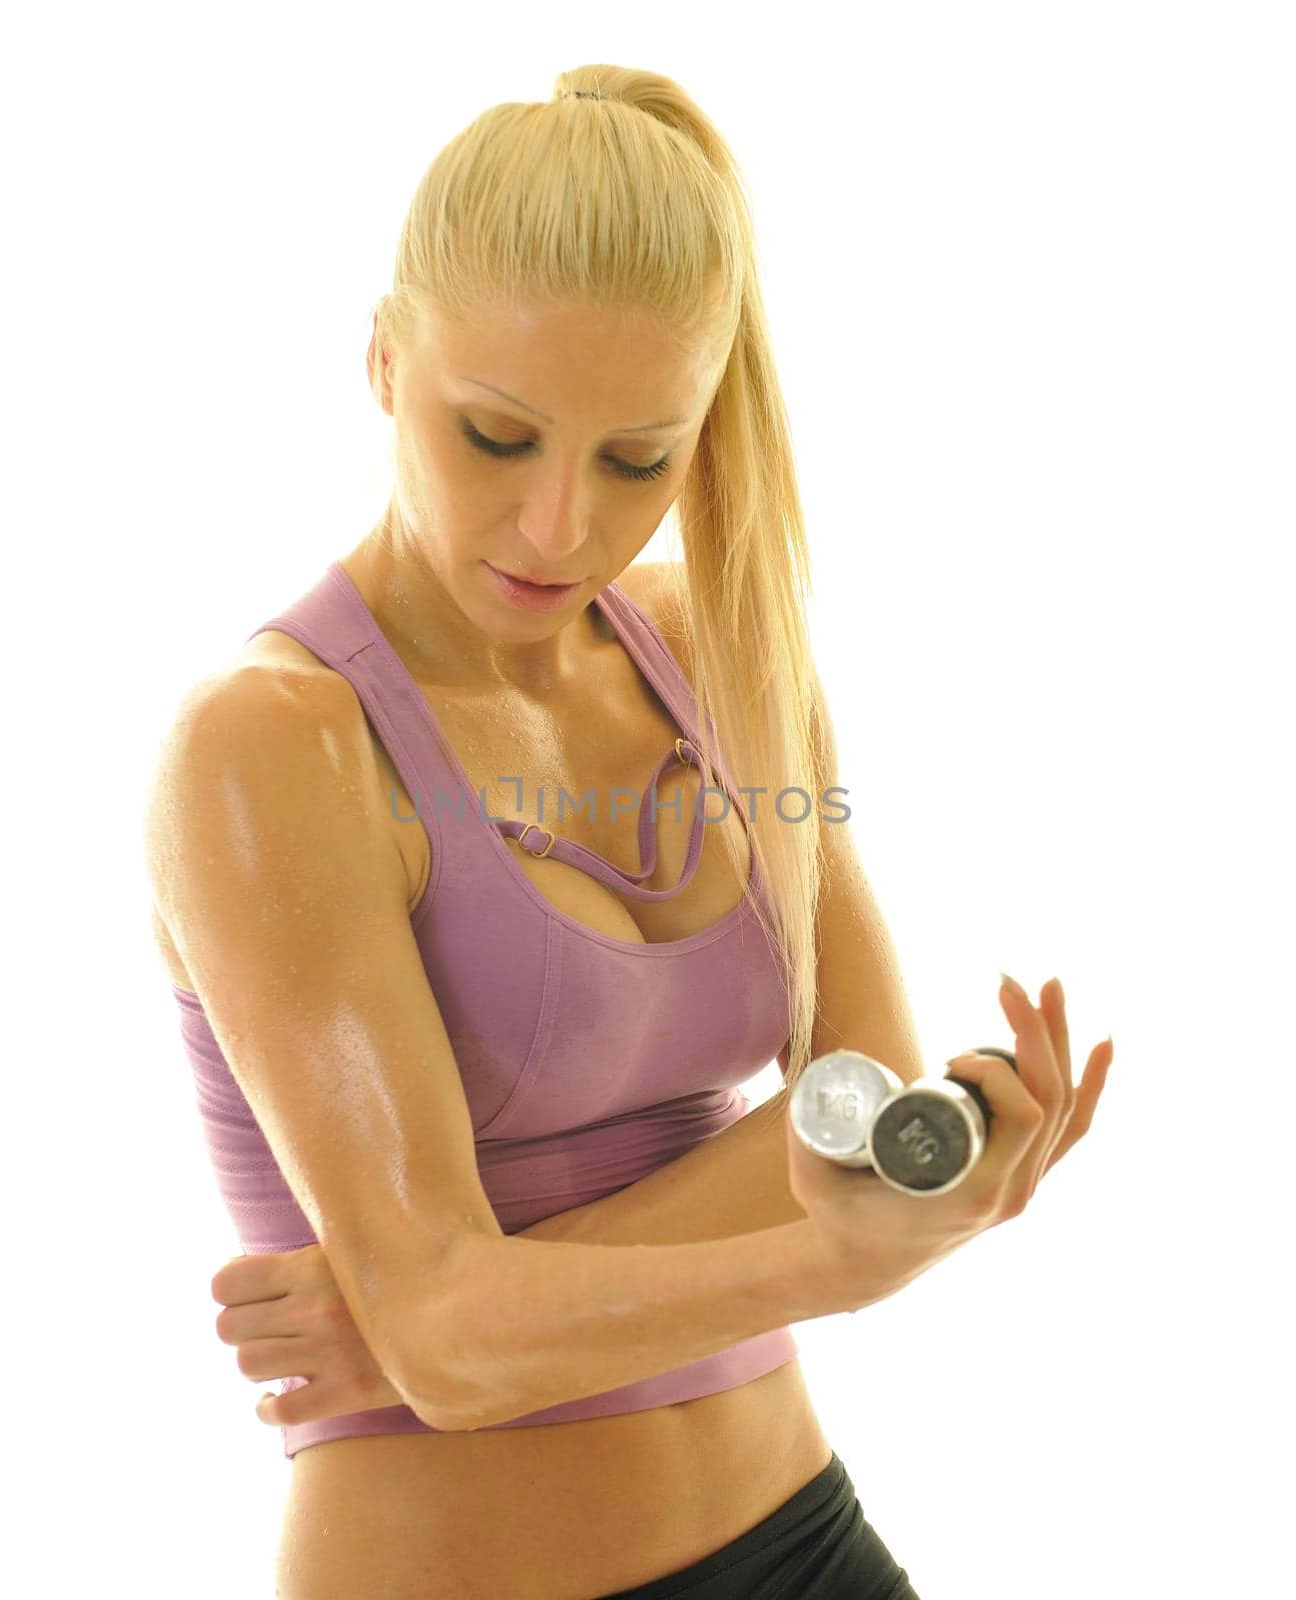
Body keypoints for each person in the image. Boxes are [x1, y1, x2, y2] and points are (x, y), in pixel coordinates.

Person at [147, 65, 1112, 1600]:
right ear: (385, 360)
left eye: (637, 460)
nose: (563, 529)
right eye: (496, 436)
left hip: (806, 1539)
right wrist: (824, 1258)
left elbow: (853, 1105)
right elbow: (464, 1358)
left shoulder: (723, 649)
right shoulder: (274, 747)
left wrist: (457, 1298)